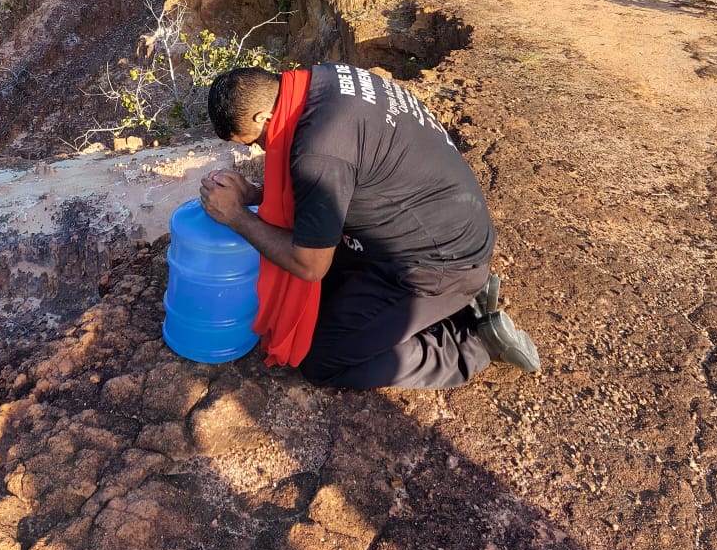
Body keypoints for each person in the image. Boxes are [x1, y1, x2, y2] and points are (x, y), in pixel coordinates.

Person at [199, 62, 540, 389]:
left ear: (263, 116)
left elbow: (310, 265)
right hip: (443, 228)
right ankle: (461, 299)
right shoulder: (324, 80)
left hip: (437, 265)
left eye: (255, 141)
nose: (262, 149)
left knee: (320, 357)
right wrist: (257, 194)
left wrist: (237, 217)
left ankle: (472, 343)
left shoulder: (318, 153)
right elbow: (338, 181)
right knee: (318, 303)